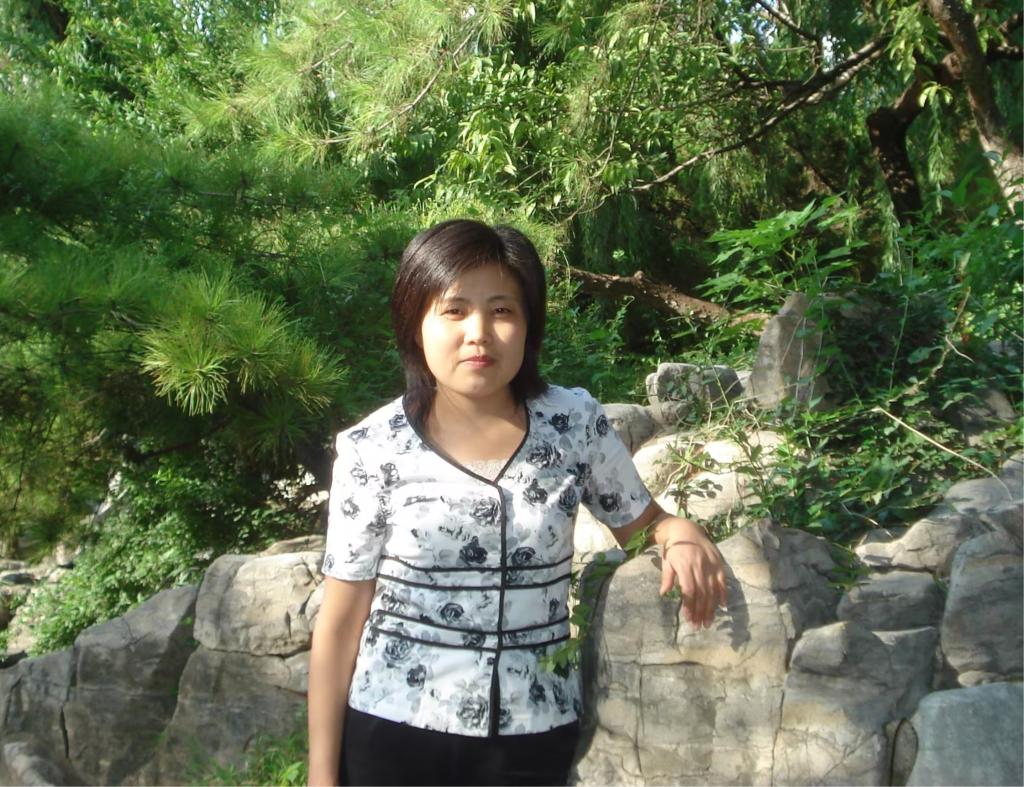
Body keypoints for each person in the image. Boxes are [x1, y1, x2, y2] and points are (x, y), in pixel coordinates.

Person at [307, 219, 727, 786]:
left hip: (534, 732)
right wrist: (322, 774)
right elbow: (340, 621)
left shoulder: (572, 423)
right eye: (454, 310)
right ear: (415, 323)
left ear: (529, 324)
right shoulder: (373, 448)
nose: (478, 333)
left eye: (502, 310)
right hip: (396, 730)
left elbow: (644, 521)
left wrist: (680, 534)